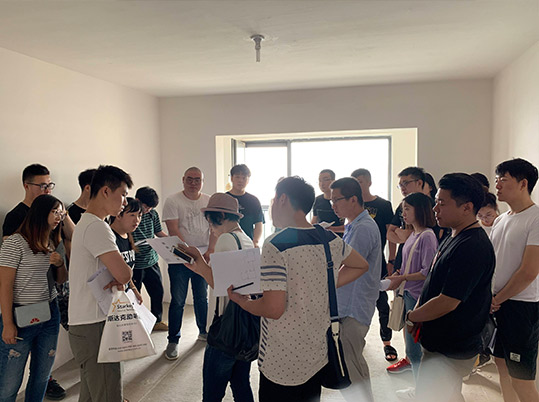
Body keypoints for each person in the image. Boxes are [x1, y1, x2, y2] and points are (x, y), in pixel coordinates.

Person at [228, 176, 369, 402]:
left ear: (283, 199)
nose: (272, 204)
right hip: (316, 354)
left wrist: (243, 301)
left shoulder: (276, 243)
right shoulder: (327, 237)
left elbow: (273, 309)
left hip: (281, 359)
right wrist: (324, 282)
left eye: (274, 199)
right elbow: (361, 265)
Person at [406, 173, 495, 402]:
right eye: (436, 202)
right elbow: (433, 279)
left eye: (442, 203)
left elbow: (448, 301)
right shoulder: (454, 234)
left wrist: (412, 316)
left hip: (452, 345)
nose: (435, 208)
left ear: (467, 207)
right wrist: (419, 312)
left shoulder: (472, 246)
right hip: (441, 340)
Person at [1, 163, 72, 400]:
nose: (59, 218)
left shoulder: (52, 242)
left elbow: (61, 281)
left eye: (61, 213)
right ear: (41, 213)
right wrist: (8, 324)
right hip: (20, 315)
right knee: (9, 383)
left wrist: (60, 264)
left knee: (42, 376)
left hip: (49, 313)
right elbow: (5, 285)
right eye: (55, 213)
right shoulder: (15, 242)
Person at [178, 193, 256, 402]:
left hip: (225, 327)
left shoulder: (226, 240)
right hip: (244, 324)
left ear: (220, 216)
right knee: (241, 384)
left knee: (212, 392)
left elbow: (220, 285)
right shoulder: (245, 238)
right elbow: (235, 283)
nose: (209, 227)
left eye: (210, 220)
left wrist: (198, 260)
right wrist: (200, 266)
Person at [68, 165, 134, 402]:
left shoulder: (85, 223)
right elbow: (124, 274)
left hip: (84, 323)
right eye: (123, 194)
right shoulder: (97, 226)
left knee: (91, 394)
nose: (125, 202)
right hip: (95, 325)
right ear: (106, 191)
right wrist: (122, 276)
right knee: (107, 394)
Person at [490, 158, 539, 402]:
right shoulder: (501, 219)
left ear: (523, 183)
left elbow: (529, 271)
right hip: (498, 302)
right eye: (496, 179)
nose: (497, 185)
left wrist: (497, 299)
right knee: (501, 365)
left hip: (521, 306)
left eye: (503, 180)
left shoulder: (536, 218)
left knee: (521, 379)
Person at [330, 177, 381, 401]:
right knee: (351, 364)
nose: (333, 205)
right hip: (349, 304)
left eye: (337, 200)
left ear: (353, 199)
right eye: (332, 201)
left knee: (351, 368)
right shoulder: (353, 224)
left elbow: (348, 266)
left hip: (354, 307)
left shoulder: (363, 228)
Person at [386, 192, 438, 399]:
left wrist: (403, 277)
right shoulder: (413, 234)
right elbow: (409, 264)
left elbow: (426, 272)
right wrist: (399, 274)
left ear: (420, 210)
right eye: (403, 209)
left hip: (417, 296)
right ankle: (419, 389)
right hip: (408, 292)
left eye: (407, 208)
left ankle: (421, 392)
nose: (403, 213)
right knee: (411, 347)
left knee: (416, 348)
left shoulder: (427, 236)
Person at [162, 167, 216, 360]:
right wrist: (189, 252)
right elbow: (173, 230)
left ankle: (203, 332)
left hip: (203, 256)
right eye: (190, 179)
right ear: (183, 179)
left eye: (197, 179)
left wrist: (210, 250)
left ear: (203, 181)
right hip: (180, 257)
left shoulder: (209, 201)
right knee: (178, 300)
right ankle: (173, 340)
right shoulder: (173, 200)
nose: (193, 183)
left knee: (202, 297)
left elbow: (214, 228)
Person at [352, 168, 397, 362]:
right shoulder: (353, 206)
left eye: (360, 182)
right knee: (358, 302)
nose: (357, 185)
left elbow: (390, 234)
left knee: (382, 303)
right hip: (355, 263)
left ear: (369, 182)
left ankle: (387, 342)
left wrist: (391, 259)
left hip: (377, 262)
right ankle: (358, 339)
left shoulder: (383, 205)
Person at [386, 166, 427, 374]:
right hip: (405, 278)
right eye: (400, 184)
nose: (402, 187)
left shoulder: (427, 228)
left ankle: (419, 373)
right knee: (405, 323)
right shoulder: (412, 228)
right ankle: (410, 361)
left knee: (418, 332)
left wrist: (405, 235)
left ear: (420, 182)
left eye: (406, 183)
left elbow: (426, 270)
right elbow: (390, 234)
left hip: (417, 286)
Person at [132, 186, 168, 331]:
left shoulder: (152, 214)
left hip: (151, 260)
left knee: (157, 291)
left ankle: (157, 320)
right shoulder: (129, 214)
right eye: (146, 207)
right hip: (135, 264)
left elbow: (159, 232)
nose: (147, 210)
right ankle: (137, 324)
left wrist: (172, 241)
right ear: (137, 200)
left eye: (150, 208)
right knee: (135, 296)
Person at [110, 197, 144, 305]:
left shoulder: (128, 236)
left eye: (139, 216)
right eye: (132, 215)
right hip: (111, 297)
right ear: (118, 215)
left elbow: (127, 269)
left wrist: (134, 290)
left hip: (125, 294)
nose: (137, 220)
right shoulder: (110, 237)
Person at [226, 164, 265, 247]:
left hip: (248, 243)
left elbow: (259, 223)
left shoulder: (254, 201)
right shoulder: (224, 198)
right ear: (231, 178)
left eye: (244, 178)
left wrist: (255, 241)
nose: (240, 180)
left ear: (248, 180)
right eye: (237, 177)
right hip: (227, 242)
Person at [311, 169, 345, 234]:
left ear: (333, 181)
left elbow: (350, 226)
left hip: (339, 237)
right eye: (320, 181)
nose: (322, 183)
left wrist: (331, 229)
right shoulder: (317, 200)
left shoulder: (342, 199)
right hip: (322, 237)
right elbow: (314, 221)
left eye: (325, 180)